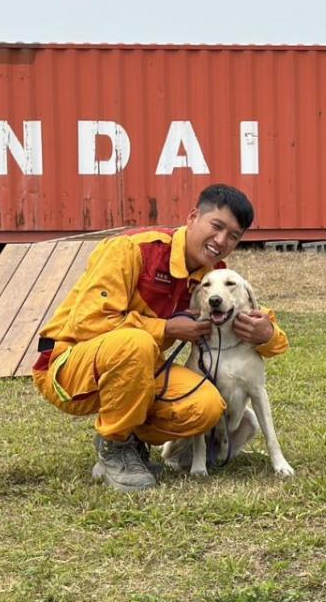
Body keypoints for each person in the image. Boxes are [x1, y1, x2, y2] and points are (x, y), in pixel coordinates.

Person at [32, 184, 290, 492]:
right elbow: (90, 323)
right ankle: (115, 446)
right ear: (193, 216)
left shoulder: (213, 277)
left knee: (207, 406)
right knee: (137, 343)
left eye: (233, 236)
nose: (221, 241)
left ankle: (134, 441)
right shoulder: (132, 249)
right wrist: (166, 328)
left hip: (139, 368)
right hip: (68, 366)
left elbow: (261, 319)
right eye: (216, 226)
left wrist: (267, 334)